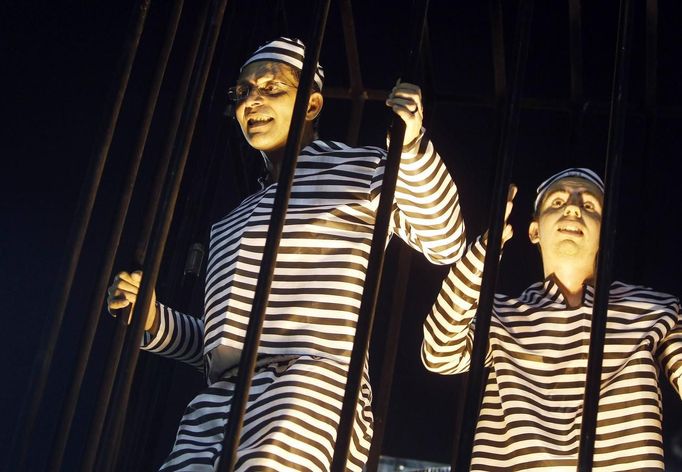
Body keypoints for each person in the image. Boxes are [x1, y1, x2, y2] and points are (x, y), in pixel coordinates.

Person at [108, 37, 467, 471]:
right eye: (242, 92)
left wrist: (409, 147)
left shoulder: (359, 169)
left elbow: (445, 240)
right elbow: (223, 337)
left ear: (312, 105)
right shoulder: (233, 220)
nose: (252, 100)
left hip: (311, 385)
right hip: (221, 396)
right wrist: (153, 320)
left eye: (271, 87)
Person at [422, 168, 682, 471]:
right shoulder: (503, 314)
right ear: (534, 231)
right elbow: (438, 353)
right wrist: (484, 251)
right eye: (557, 202)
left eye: (588, 206)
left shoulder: (653, 309)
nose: (572, 208)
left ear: (606, 229)